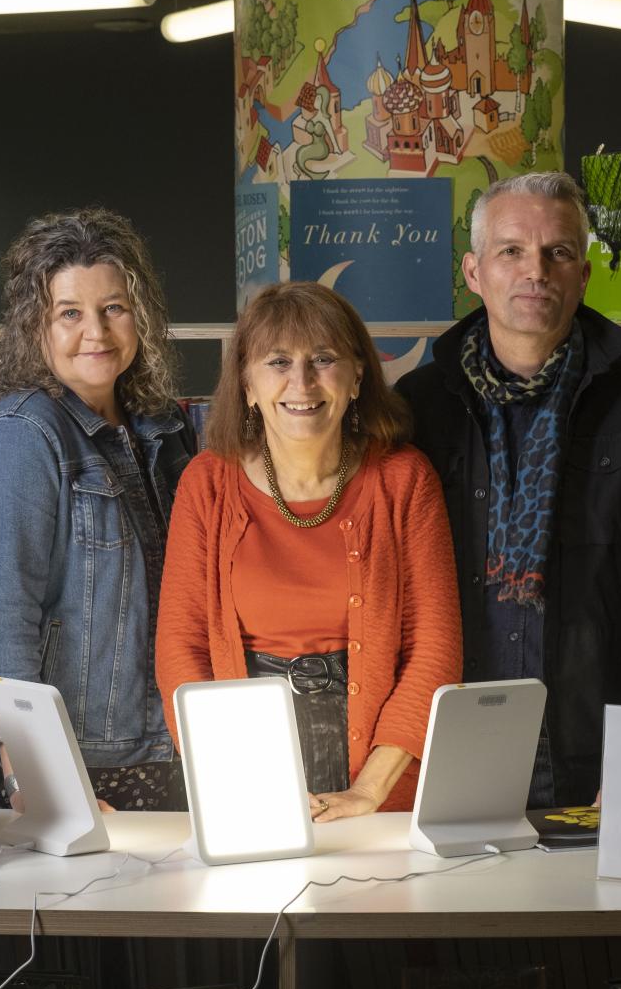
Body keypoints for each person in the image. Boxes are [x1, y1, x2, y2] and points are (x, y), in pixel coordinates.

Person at [396, 171, 621, 808]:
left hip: (593, 738)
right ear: (474, 271)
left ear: (583, 274)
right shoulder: (421, 405)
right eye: (511, 251)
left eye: (558, 252)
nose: (535, 270)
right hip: (453, 734)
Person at [157, 281, 461, 821]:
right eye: (277, 361)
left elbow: (434, 651)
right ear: (247, 382)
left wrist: (369, 791)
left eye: (323, 359)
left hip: (382, 775)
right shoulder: (206, 484)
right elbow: (181, 653)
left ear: (358, 375)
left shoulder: (404, 479)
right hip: (240, 774)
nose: (301, 382)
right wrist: (237, 782)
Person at [0, 210, 197, 811]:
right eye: (70, 313)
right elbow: (1, 620)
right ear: (34, 327)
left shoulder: (161, 431)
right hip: (71, 763)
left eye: (113, 307)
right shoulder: (21, 439)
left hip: (158, 749)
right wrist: (34, 774)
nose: (97, 330)